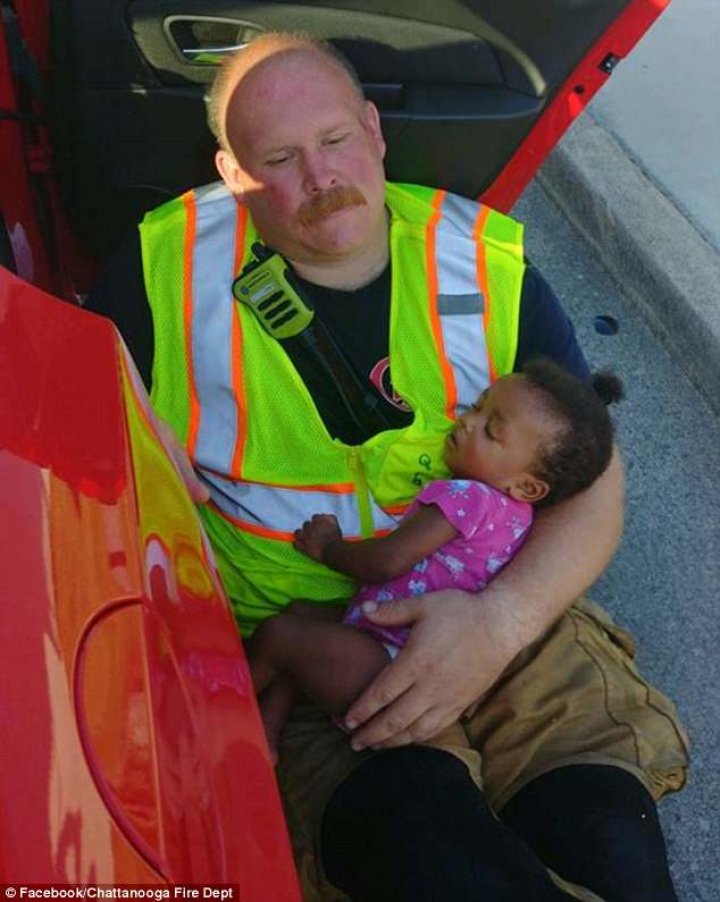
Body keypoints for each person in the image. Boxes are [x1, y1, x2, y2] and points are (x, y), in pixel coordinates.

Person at [86, 31, 688, 901]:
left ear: (374, 130)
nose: (321, 178)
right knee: (443, 861)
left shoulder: (478, 260)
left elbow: (595, 484)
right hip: (310, 649)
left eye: (333, 141)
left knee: (614, 851)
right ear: (230, 170)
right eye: (279, 158)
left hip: (503, 608)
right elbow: (75, 444)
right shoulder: (158, 274)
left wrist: (501, 625)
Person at [249, 361, 623, 761]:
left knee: (281, 635)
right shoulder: (517, 517)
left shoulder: (465, 498)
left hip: (385, 663)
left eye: (491, 430)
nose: (466, 423)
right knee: (303, 617)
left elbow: (386, 563)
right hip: (410, 657)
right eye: (477, 407)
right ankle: (265, 733)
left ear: (528, 485)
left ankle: (217, 709)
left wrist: (329, 548)